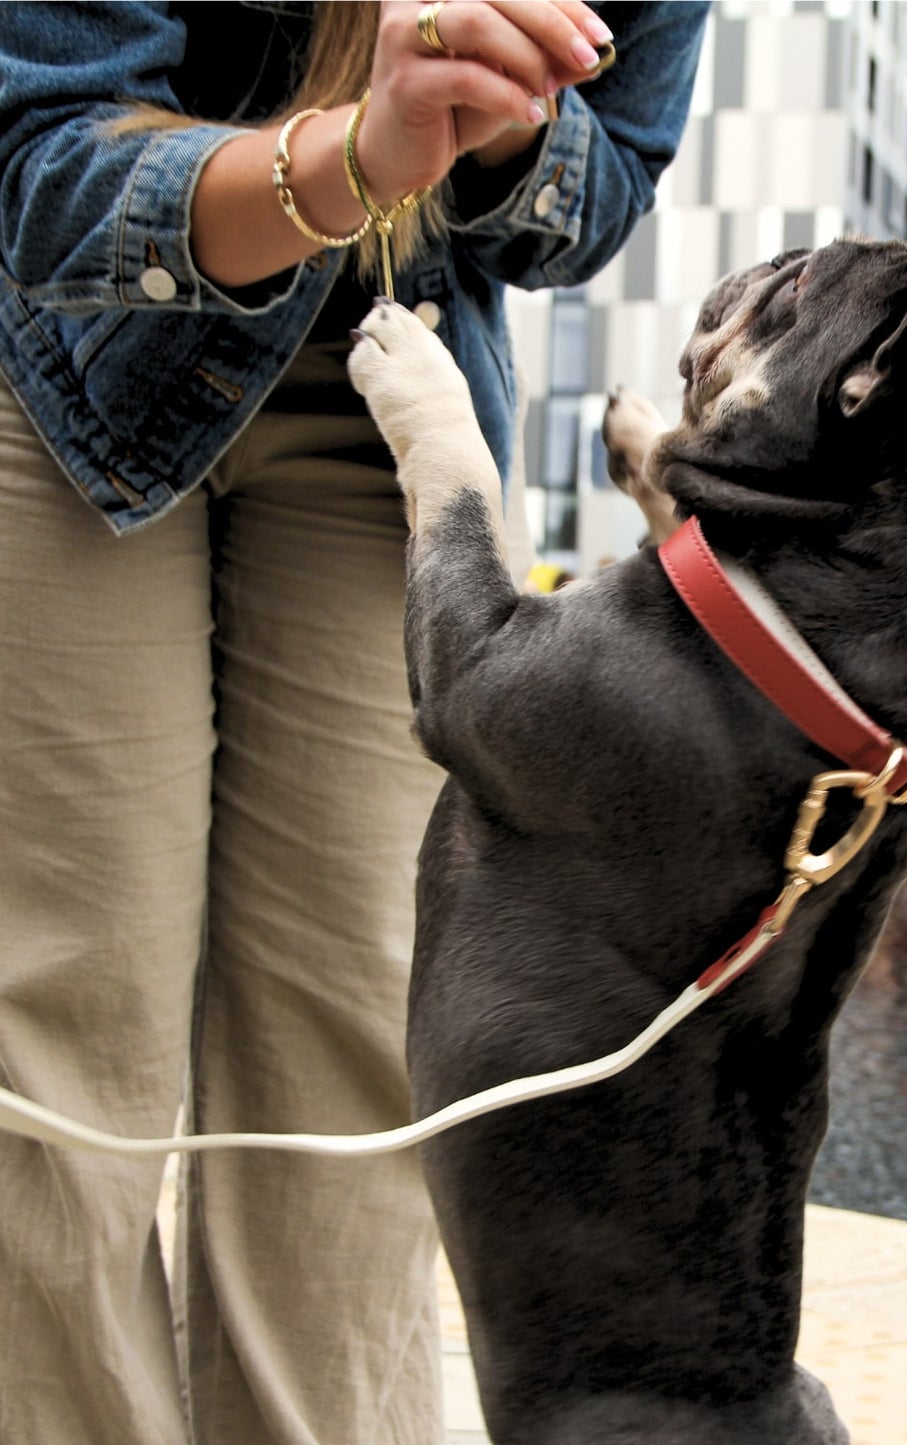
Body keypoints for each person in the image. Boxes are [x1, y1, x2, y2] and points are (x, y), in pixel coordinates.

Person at [0, 3, 706, 1441]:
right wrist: (357, 153)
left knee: (351, 1057)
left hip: (392, 366)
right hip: (66, 359)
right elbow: (38, 168)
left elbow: (604, 187)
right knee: (69, 1033)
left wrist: (497, 121)